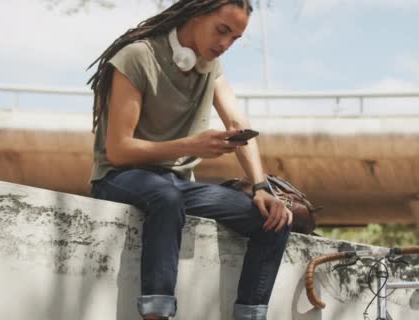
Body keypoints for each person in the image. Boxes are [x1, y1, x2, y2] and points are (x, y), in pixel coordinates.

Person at [86, 1, 292, 319]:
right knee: (166, 196)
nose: (225, 45)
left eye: (235, 38)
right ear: (195, 15)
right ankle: (157, 313)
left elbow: (238, 127)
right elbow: (118, 150)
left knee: (274, 221)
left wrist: (261, 187)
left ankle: (250, 315)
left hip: (176, 186)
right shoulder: (138, 56)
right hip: (119, 177)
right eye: (222, 30)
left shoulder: (212, 68)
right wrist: (190, 145)